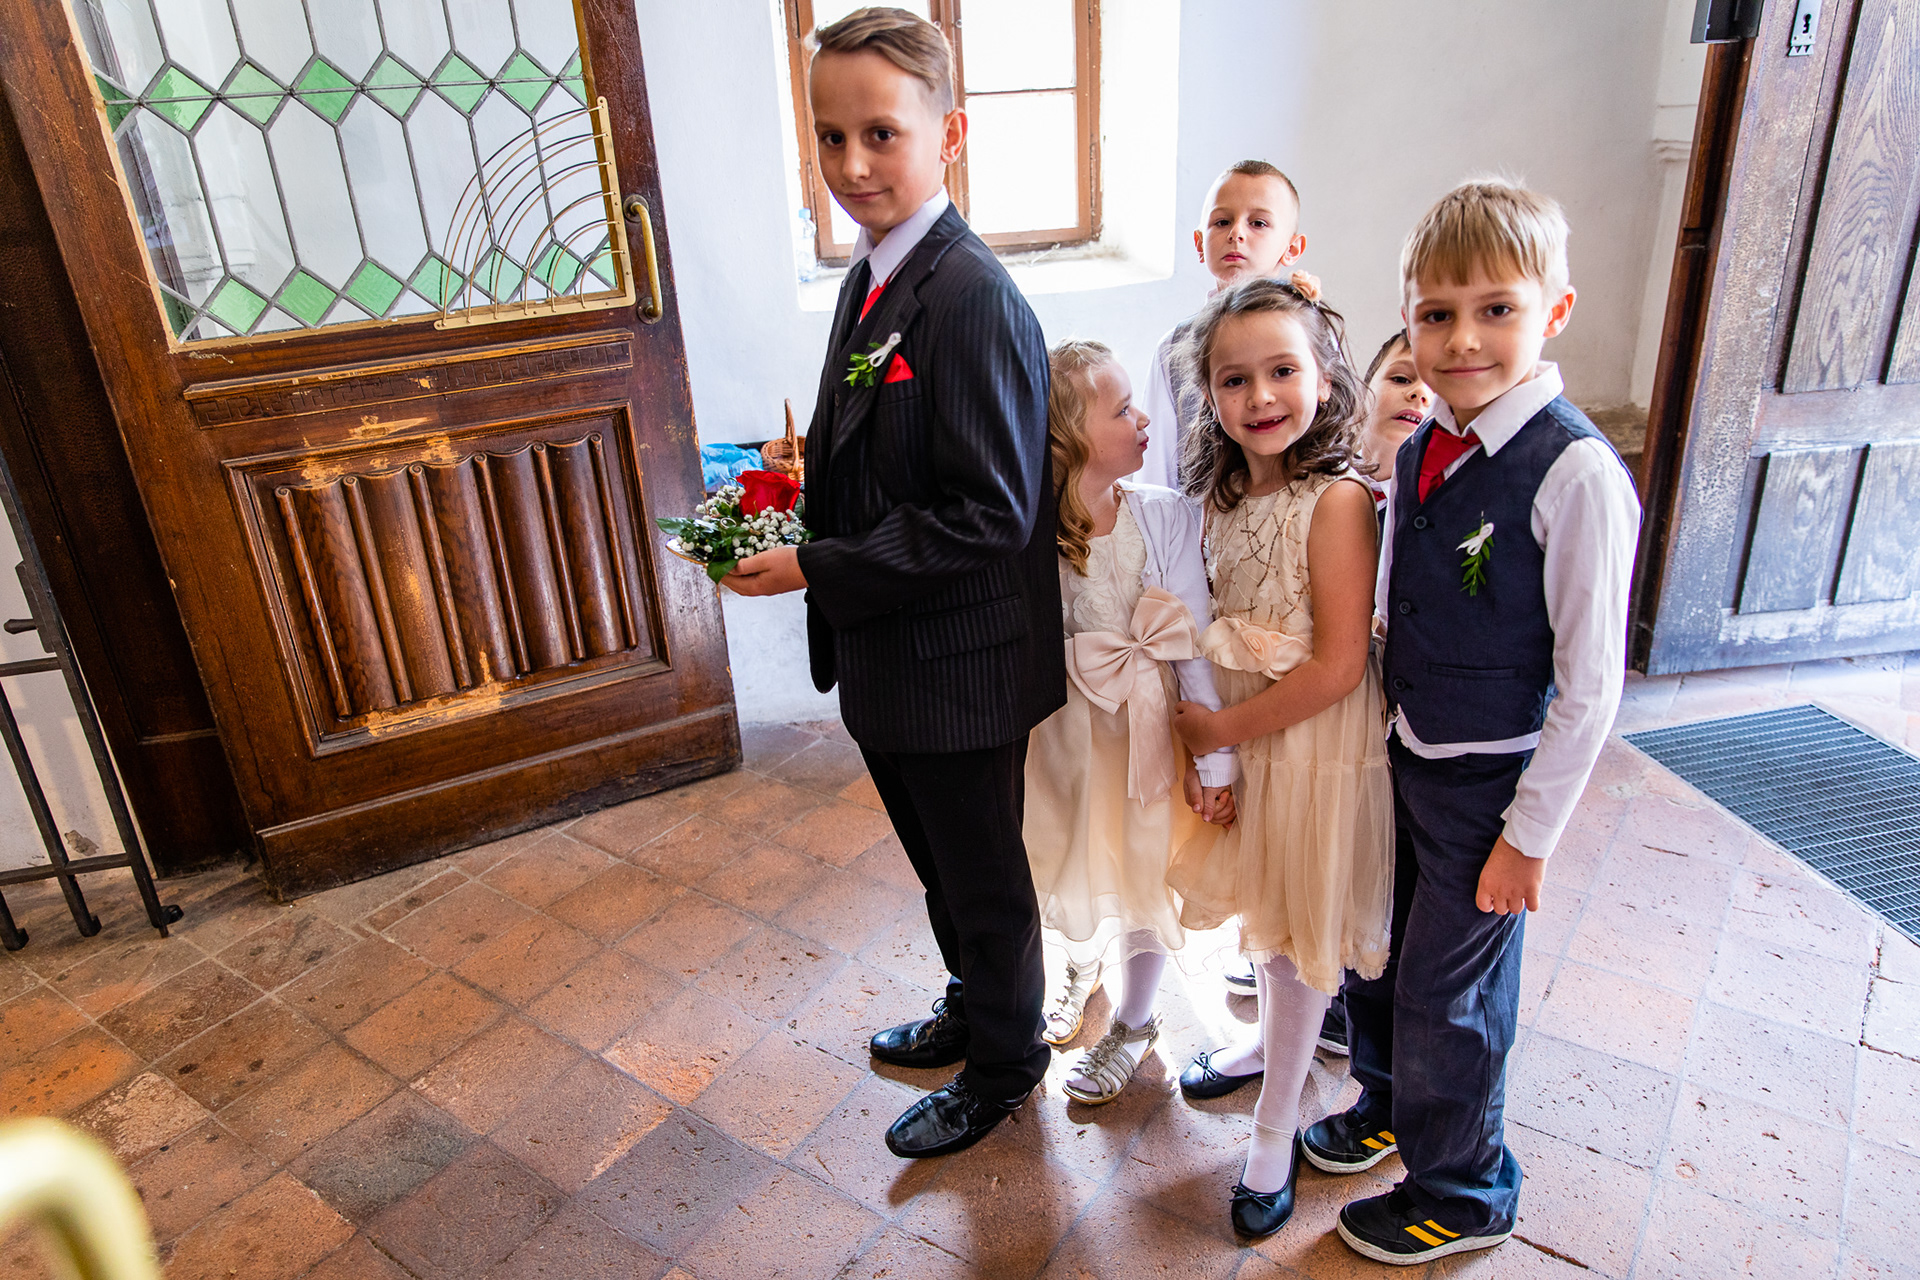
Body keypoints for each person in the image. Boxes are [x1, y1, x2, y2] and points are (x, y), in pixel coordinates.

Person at [721, 6, 1062, 1160]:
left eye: (881, 134)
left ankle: (1006, 1064)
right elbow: (879, 445)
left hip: (959, 663)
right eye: (830, 136)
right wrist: (794, 496)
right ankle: (972, 1002)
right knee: (938, 867)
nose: (852, 163)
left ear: (949, 134)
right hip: (888, 653)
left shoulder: (971, 297)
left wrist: (813, 563)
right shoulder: (874, 275)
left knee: (985, 877)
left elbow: (990, 512)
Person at [1309, 180, 1641, 1266]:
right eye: (1435, 313)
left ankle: (1464, 1187)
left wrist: (1527, 838)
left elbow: (1590, 687)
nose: (1461, 340)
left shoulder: (1575, 472)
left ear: (1555, 310)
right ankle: (1389, 1106)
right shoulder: (1421, 447)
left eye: (1497, 309)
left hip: (1493, 786)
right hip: (1408, 755)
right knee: (1379, 954)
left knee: (1450, 994)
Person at [1161, 278, 1394, 1240]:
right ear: (1209, 394)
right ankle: (1267, 1044)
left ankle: (1275, 1125)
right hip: (1245, 738)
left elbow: (1338, 667)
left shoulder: (1336, 501)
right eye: (1234, 379)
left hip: (1309, 745)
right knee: (1265, 908)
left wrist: (1222, 735)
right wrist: (1211, 751)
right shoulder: (1217, 498)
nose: (1260, 397)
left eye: (1282, 371)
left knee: (1299, 935)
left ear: (1324, 377)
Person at [1023, 339, 1238, 1103]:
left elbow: (1192, 640)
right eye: (1121, 411)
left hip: (1147, 735)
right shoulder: (1029, 529)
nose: (1145, 418)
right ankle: (1082, 967)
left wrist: (1214, 761)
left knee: (1144, 872)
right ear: (1067, 437)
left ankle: (1137, 1019)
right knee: (1070, 858)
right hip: (1062, 734)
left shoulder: (1164, 514)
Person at [1137, 161, 1315, 494]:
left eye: (1258, 223)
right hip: (1205, 514)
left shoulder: (1311, 331)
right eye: (1222, 222)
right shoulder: (1174, 348)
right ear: (1199, 242)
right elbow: (1157, 473)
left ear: (1292, 248)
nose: (1236, 234)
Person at [1356, 330, 1435, 520]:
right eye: (1401, 379)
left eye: (1438, 390)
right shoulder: (1311, 479)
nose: (1420, 392)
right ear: (1362, 393)